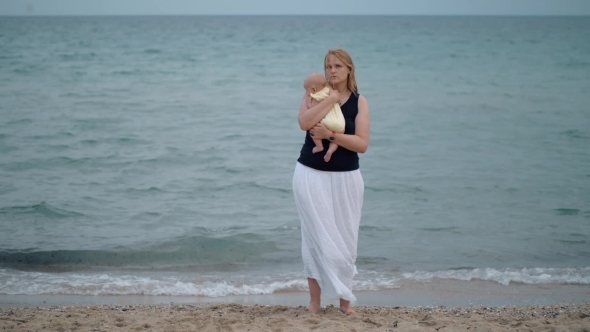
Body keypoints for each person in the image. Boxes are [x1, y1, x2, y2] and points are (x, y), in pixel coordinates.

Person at [293, 48, 370, 315]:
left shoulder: (360, 102)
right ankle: (315, 302)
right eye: (328, 66)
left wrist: (331, 136)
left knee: (345, 239)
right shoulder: (314, 93)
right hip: (309, 174)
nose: (332, 71)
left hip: (347, 178)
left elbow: (362, 144)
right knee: (313, 238)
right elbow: (304, 122)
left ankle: (344, 302)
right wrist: (330, 99)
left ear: (349, 69)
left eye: (337, 66)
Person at [303, 72, 346, 162]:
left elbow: (312, 110)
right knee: (340, 131)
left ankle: (319, 146)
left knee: (313, 127)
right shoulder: (329, 91)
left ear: (314, 89)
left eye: (307, 90)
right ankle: (330, 150)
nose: (307, 93)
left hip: (327, 122)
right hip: (339, 122)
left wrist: (309, 103)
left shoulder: (315, 96)